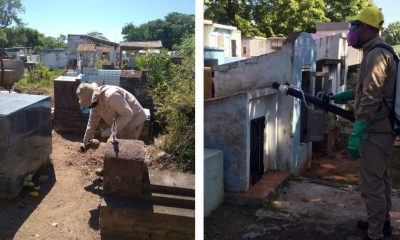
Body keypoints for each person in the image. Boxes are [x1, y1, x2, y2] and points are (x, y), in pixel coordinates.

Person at [330, 6, 398, 240]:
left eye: (355, 26)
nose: (352, 31)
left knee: (371, 182)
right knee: (381, 177)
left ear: (367, 28)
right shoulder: (375, 51)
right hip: (380, 126)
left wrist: (358, 131)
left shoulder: (377, 54)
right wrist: (344, 95)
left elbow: (372, 96)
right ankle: (383, 222)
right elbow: (367, 88)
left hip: (376, 128)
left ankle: (376, 233)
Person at [76, 82, 147, 151]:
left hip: (134, 120)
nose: (91, 107)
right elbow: (92, 122)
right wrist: (87, 139)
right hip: (122, 122)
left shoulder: (111, 96)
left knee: (127, 149)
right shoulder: (95, 103)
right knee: (117, 146)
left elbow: (127, 114)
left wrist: (111, 131)